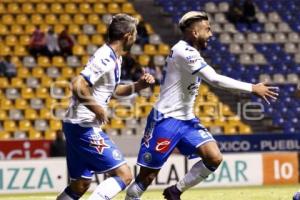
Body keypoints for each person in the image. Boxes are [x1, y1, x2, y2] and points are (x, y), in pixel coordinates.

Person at [125, 11, 278, 200]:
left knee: (214, 157)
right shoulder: (183, 51)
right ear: (195, 33)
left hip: (187, 119)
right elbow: (214, 79)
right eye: (207, 29)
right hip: (165, 119)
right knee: (146, 177)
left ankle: (175, 191)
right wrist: (252, 88)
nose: (211, 34)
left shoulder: (190, 52)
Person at [56, 14, 155, 200]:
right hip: (83, 126)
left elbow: (113, 90)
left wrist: (138, 85)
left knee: (80, 184)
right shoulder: (105, 57)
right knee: (124, 175)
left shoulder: (115, 57)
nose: (136, 38)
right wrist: (97, 108)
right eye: (134, 34)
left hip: (76, 124)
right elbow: (77, 84)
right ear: (127, 36)